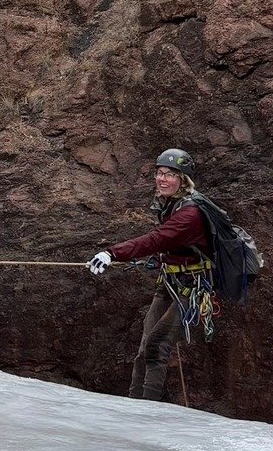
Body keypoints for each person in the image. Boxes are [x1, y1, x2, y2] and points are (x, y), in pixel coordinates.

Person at [87, 147, 216, 403]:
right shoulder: (171, 206)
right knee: (145, 347)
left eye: (169, 174)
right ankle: (134, 407)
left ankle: (147, 414)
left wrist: (112, 254)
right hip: (170, 283)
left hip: (193, 289)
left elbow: (157, 239)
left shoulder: (189, 214)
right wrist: (158, 260)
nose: (162, 179)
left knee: (157, 345)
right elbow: (173, 245)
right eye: (159, 173)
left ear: (183, 180)